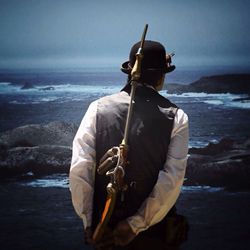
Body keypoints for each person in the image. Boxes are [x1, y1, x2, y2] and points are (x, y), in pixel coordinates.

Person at [69, 40, 189, 250]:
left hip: (103, 233)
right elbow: (172, 180)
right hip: (152, 238)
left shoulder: (96, 109)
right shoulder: (177, 117)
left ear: (129, 71)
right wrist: (134, 225)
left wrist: (90, 223)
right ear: (162, 77)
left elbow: (80, 169)